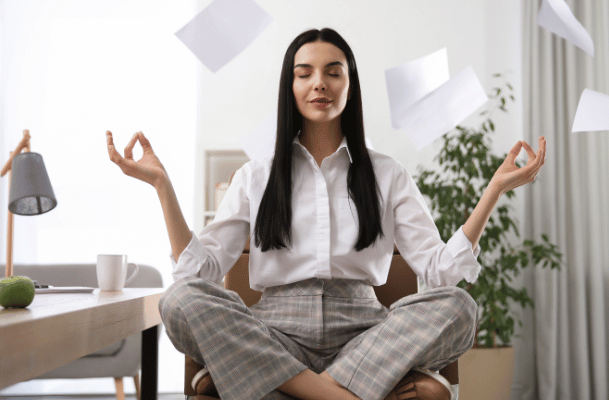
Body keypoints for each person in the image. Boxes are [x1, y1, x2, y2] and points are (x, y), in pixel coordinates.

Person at [106, 28, 546, 400]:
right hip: (273, 330)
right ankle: (351, 393)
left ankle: (271, 383)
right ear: (290, 86)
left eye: (334, 72)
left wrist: (494, 190)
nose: (320, 83)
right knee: (179, 300)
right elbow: (198, 275)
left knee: (459, 307)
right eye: (306, 73)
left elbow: (440, 273)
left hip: (365, 334)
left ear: (349, 86)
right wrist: (162, 186)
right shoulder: (254, 175)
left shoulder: (387, 174)